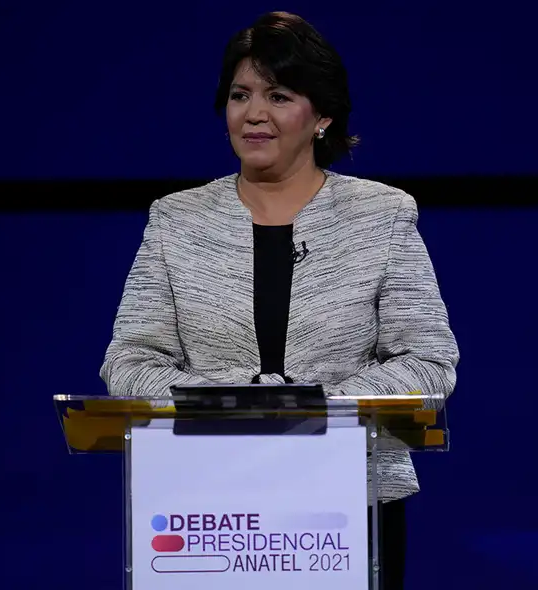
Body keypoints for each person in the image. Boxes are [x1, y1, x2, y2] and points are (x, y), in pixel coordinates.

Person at [100, 11, 459, 588]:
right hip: (206, 505)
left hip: (349, 503)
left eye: (278, 94)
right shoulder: (176, 219)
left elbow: (429, 363)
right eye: (240, 95)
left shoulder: (382, 215)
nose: (254, 113)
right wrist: (230, 409)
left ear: (322, 116)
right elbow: (130, 361)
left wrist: (316, 410)